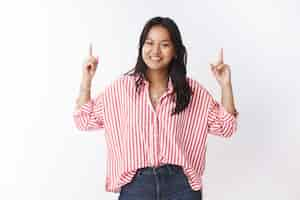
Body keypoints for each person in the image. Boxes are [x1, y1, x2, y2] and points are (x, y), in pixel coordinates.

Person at [73, 16, 238, 200]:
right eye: (149, 43)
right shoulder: (121, 89)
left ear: (175, 50)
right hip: (136, 187)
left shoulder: (191, 91)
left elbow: (226, 127)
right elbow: (83, 120)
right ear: (141, 47)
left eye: (165, 44)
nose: (155, 51)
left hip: (181, 188)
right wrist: (87, 80)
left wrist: (225, 85)